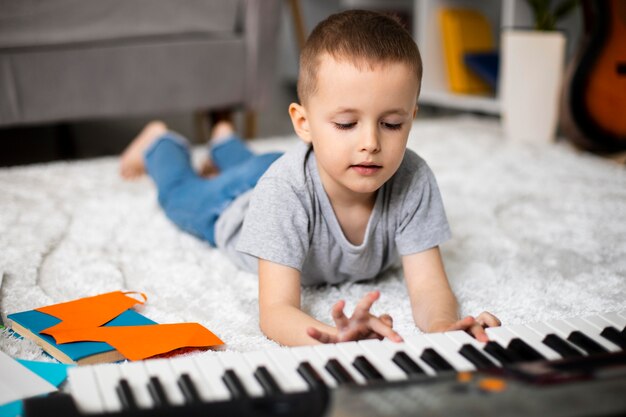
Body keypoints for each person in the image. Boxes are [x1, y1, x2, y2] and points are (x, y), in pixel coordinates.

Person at [120, 10, 500, 347]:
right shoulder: (283, 191)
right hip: (235, 204)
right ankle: (160, 142)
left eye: (391, 124)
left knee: (253, 164)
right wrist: (336, 337)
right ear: (303, 123)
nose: (370, 144)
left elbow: (429, 287)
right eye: (347, 124)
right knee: (179, 196)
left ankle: (224, 141)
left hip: (287, 164)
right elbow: (276, 312)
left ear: (411, 118)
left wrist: (445, 328)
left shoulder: (413, 179)